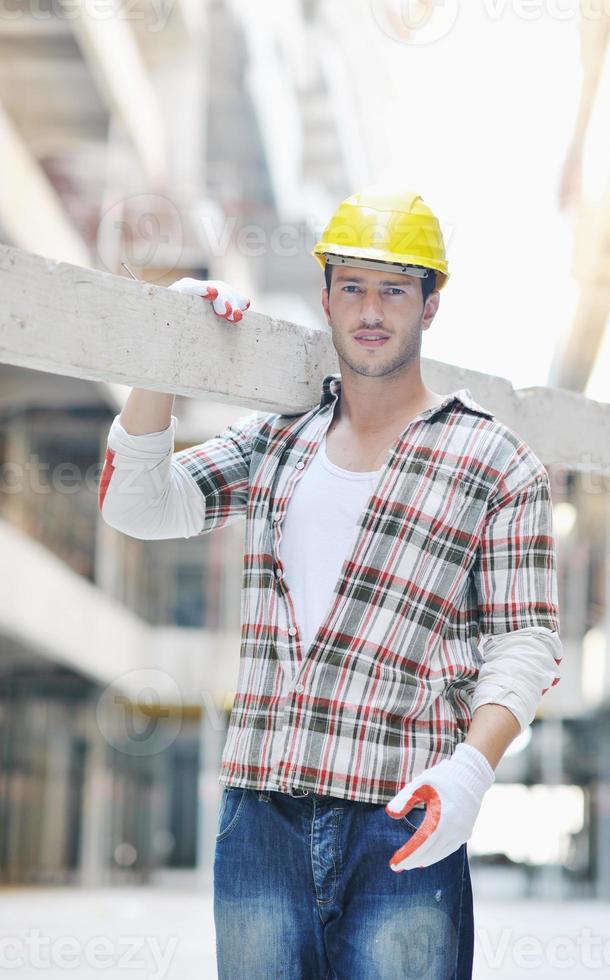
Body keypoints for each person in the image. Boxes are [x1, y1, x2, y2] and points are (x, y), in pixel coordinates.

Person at [99, 187, 563, 979]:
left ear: (430, 304)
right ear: (326, 299)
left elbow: (527, 640)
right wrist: (163, 348)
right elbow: (139, 503)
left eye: (394, 289)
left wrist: (471, 771)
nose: (371, 309)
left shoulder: (496, 460)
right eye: (352, 287)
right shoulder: (279, 439)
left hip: (403, 814)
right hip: (261, 818)